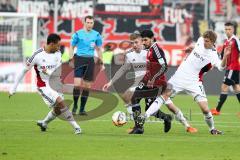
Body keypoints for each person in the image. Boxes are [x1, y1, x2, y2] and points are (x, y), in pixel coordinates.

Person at [135, 30, 230, 135]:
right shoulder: (200, 40)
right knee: (163, 97)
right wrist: (191, 48)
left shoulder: (213, 55)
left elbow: (221, 67)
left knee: (205, 109)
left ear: (213, 42)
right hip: (179, 77)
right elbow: (198, 47)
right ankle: (144, 117)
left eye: (207, 41)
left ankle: (212, 129)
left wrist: (225, 56)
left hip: (194, 82)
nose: (204, 42)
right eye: (204, 40)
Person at [103, 32, 197, 134]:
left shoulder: (148, 52)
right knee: (134, 101)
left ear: (141, 42)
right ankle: (138, 127)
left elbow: (161, 65)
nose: (135, 45)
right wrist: (110, 82)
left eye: (136, 42)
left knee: (167, 106)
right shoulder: (130, 54)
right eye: (132, 43)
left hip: (154, 83)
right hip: (142, 84)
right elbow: (122, 69)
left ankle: (185, 125)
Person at [9, 33, 81, 134]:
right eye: (57, 45)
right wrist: (14, 88)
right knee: (61, 102)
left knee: (58, 109)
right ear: (51, 44)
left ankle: (44, 123)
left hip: (56, 84)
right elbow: (23, 71)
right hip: (44, 86)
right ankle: (77, 127)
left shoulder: (58, 53)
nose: (59, 47)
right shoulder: (37, 55)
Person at [69, 15, 103, 115]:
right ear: (84, 23)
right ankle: (75, 105)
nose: (89, 24)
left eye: (91, 23)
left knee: (87, 86)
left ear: (93, 23)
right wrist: (71, 58)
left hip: (90, 61)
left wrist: (101, 61)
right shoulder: (78, 34)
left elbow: (99, 49)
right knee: (77, 85)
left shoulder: (96, 35)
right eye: (87, 22)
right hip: (79, 59)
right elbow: (71, 46)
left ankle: (82, 109)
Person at [211, 22, 240, 115]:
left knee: (224, 86)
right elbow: (222, 55)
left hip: (233, 67)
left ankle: (217, 110)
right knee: (236, 88)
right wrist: (214, 63)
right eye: (226, 29)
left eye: (229, 29)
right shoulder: (226, 41)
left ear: (233, 30)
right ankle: (217, 109)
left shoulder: (235, 40)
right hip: (230, 67)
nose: (227, 31)